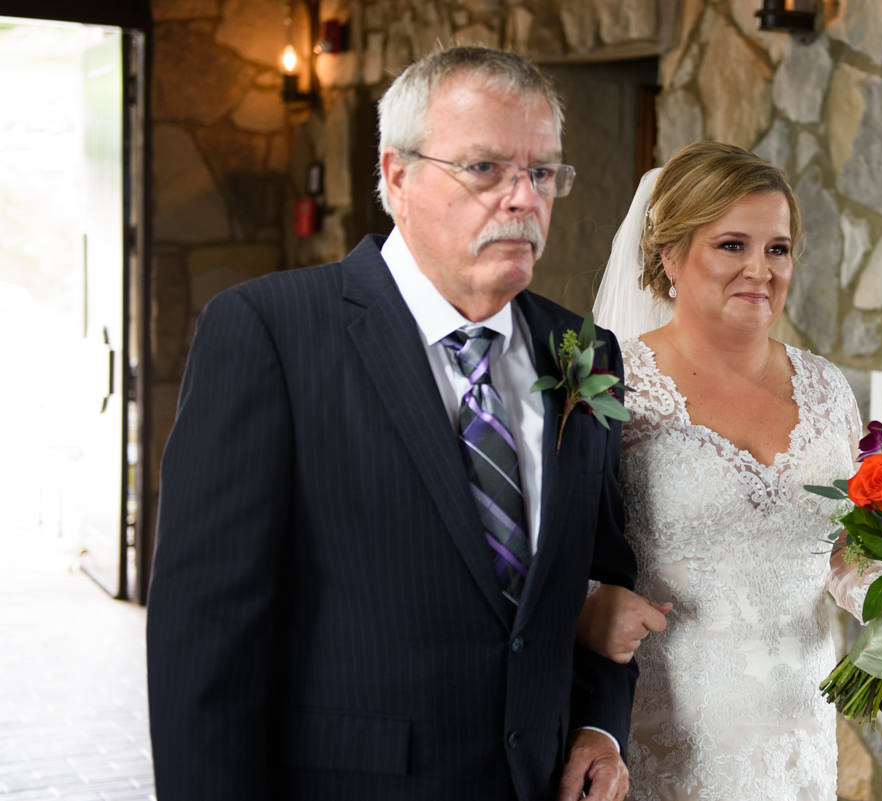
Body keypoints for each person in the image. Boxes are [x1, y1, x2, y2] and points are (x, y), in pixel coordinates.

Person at [146, 46, 638, 801]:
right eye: (485, 169)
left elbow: (605, 579)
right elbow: (203, 647)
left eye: (543, 173)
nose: (522, 199)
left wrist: (600, 723)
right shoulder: (269, 333)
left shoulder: (583, 350)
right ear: (398, 174)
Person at [583, 141, 882, 800]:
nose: (760, 269)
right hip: (665, 740)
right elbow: (555, 556)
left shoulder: (827, 387)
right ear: (670, 256)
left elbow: (836, 546)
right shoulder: (614, 384)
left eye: (777, 248)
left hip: (796, 739)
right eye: (732, 245)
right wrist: (587, 610)